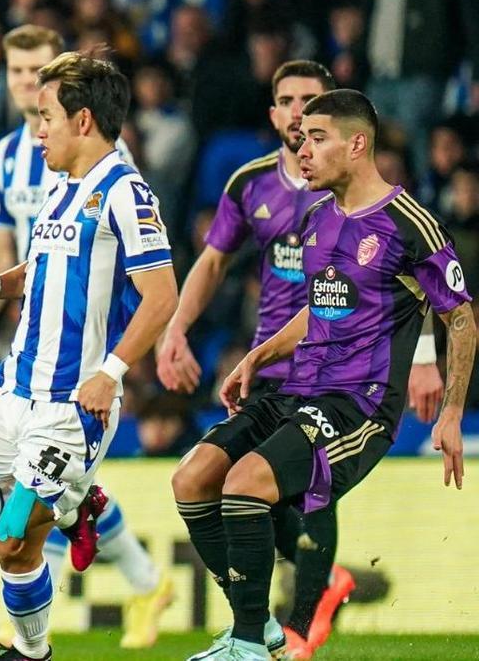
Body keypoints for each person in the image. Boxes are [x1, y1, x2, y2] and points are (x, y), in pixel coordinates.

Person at [158, 60, 446, 659]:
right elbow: (215, 263)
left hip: (349, 383)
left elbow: (421, 292)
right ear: (274, 114)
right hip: (277, 373)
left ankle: (289, 619)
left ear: (345, 128)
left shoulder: (384, 209)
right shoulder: (257, 187)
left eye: (312, 107)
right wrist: (181, 330)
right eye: (288, 103)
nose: (299, 116)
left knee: (279, 489)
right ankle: (270, 613)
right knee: (211, 483)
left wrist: (423, 360)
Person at [0, 52, 178, 661]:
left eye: (46, 117)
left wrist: (110, 373)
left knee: (12, 540)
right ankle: (70, 506)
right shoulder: (61, 188)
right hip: (14, 389)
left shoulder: (127, 193)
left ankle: (32, 651)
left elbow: (161, 295)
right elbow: (39, 271)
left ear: (83, 121)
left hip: (71, 405)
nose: (37, 131)